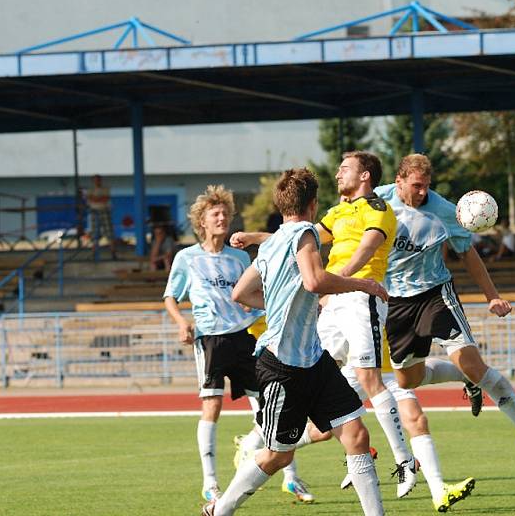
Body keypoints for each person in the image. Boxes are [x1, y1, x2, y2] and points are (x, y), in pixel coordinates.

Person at [232, 151, 419, 498]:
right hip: (334, 299)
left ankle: (405, 461)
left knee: (369, 379)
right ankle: (264, 442)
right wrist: (255, 237)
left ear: (365, 176)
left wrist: (342, 282)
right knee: (313, 373)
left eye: (345, 168)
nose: (337, 174)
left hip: (361, 297)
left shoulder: (377, 209)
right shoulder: (336, 212)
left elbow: (365, 250)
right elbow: (293, 235)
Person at [213, 168, 387, 516]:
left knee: (356, 436)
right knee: (279, 455)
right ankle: (220, 509)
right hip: (282, 366)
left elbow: (241, 293)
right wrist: (363, 284)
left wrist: (277, 301)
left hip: (314, 359)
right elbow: (314, 281)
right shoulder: (306, 231)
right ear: (313, 204)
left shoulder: (272, 243)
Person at [375, 154, 515, 477]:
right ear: (399, 180)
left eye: (426, 186)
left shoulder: (445, 211)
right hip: (396, 304)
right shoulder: (378, 201)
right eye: (416, 186)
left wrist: (493, 296)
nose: (421, 193)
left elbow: (467, 255)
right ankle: (464, 379)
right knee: (407, 381)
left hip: (435, 295)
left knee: (475, 365)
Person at [163, 185, 312, 504]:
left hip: (243, 337)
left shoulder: (239, 256)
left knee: (269, 404)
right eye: (215, 214)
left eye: (225, 214)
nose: (222, 218)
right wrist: (180, 322)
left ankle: (291, 477)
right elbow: (170, 297)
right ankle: (211, 483)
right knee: (212, 406)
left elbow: (253, 288)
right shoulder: (186, 258)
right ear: (201, 221)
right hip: (210, 339)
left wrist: (254, 304)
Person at [338, 339, 476, 512]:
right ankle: (293, 471)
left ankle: (439, 490)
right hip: (358, 369)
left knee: (417, 420)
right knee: (321, 430)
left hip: (390, 370)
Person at [86, 175, 117, 260]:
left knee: (109, 232)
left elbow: (105, 198)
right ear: (93, 181)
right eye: (95, 180)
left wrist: (95, 198)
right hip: (93, 212)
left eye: (98, 180)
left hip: (104, 211)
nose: (97, 181)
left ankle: (113, 253)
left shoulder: (105, 189)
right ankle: (94, 254)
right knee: (94, 233)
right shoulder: (90, 189)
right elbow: (89, 199)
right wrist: (97, 198)